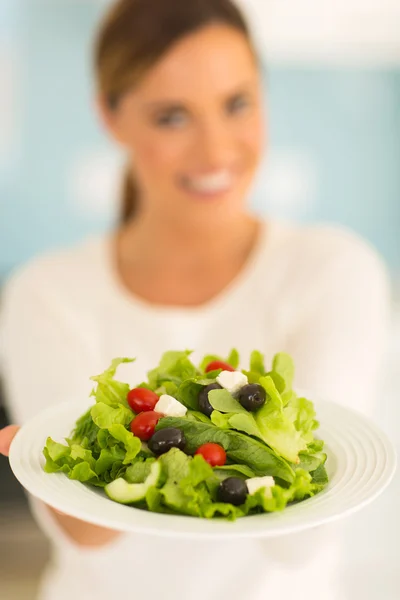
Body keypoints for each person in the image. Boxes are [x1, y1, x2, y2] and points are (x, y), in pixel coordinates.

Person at [0, 0, 390, 599]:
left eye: (237, 104)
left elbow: (301, 536)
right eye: (172, 117)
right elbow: (87, 532)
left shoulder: (336, 269)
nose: (215, 151)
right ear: (110, 116)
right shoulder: (44, 292)